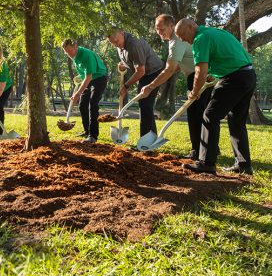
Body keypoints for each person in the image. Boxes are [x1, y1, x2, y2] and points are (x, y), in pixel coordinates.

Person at [175, 19, 256, 175]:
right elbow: (226, 56)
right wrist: (213, 73)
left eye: (183, 35)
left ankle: (206, 163)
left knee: (209, 116)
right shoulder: (216, 32)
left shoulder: (200, 38)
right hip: (248, 75)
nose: (184, 40)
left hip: (233, 79)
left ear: (192, 26)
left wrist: (194, 91)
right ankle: (244, 165)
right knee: (237, 120)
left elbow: (200, 71)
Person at [140, 14, 213, 159]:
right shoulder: (175, 40)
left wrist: (150, 86)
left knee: (195, 115)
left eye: (162, 28)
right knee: (202, 114)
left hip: (199, 77)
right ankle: (209, 148)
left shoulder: (176, 41)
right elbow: (180, 63)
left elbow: (170, 69)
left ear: (172, 26)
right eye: (157, 29)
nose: (159, 32)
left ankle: (197, 151)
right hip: (203, 75)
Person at [107, 27, 164, 137]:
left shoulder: (134, 44)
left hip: (153, 72)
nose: (115, 44)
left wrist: (126, 86)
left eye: (116, 41)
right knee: (145, 105)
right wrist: (123, 64)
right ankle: (150, 138)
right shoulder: (119, 44)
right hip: (144, 74)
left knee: (145, 105)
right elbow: (131, 59)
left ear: (122, 33)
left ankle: (146, 140)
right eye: (112, 43)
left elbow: (140, 71)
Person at [62, 39, 107, 143]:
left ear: (75, 46)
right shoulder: (74, 56)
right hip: (88, 80)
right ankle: (87, 131)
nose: (68, 54)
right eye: (66, 52)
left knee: (93, 103)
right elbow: (84, 75)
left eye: (69, 50)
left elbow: (88, 76)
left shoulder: (86, 55)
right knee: (82, 104)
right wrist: (78, 87)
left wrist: (78, 93)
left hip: (99, 79)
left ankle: (93, 135)